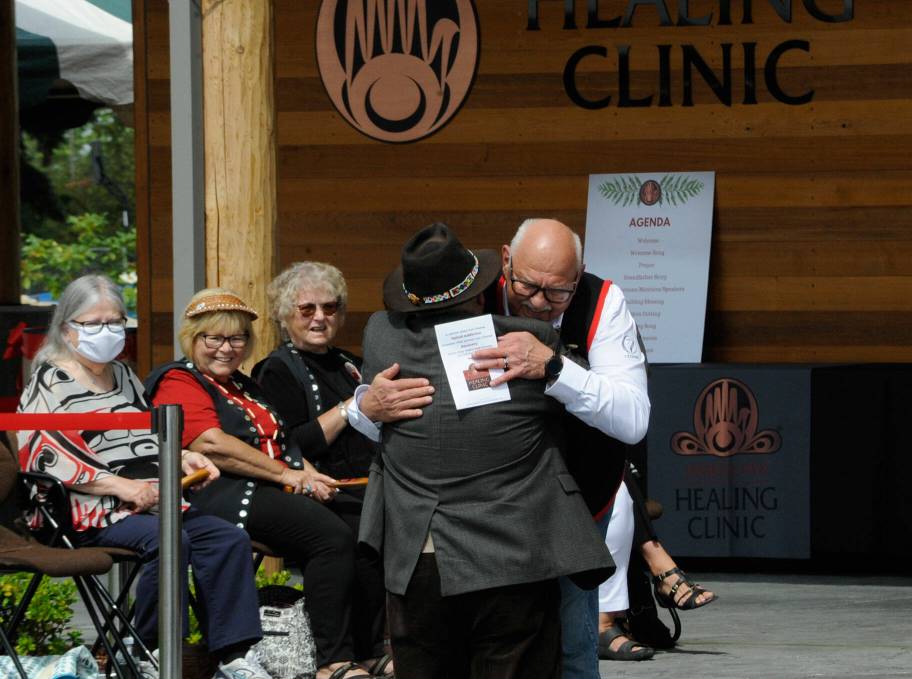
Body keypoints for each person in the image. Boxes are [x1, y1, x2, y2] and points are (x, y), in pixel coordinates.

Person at [353, 218, 716, 675]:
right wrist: (366, 404)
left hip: (573, 502)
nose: (540, 302)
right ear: (503, 264)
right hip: (481, 528)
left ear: (581, 273)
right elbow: (386, 404)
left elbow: (633, 419)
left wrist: (554, 367)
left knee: (575, 645)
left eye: (559, 291)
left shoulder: (603, 303)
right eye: (526, 285)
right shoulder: (455, 303)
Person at [357, 222, 614, 679]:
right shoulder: (530, 346)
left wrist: (363, 402)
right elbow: (608, 415)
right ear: (479, 296)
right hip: (512, 559)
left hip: (419, 557)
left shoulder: (380, 338)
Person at [16, 274, 271, 679]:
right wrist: (122, 487)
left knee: (227, 539)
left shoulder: (123, 375)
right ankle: (149, 649)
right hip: (88, 510)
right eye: (94, 323)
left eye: (115, 322)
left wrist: (184, 458)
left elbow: (151, 438)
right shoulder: (51, 379)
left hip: (154, 502)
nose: (107, 331)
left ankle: (232, 655)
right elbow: (45, 456)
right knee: (171, 540)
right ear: (67, 328)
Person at [145, 288, 376, 679]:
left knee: (363, 527)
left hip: (270, 486)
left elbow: (283, 442)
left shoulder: (243, 384)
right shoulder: (179, 380)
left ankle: (367, 651)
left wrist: (308, 473)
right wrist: (289, 476)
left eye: (236, 338)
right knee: (330, 537)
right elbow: (213, 445)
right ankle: (332, 660)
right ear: (192, 339)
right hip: (218, 491)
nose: (226, 348)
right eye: (213, 338)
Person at [252, 261, 390, 675]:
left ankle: (375, 647)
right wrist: (351, 408)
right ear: (284, 315)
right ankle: (336, 657)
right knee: (352, 532)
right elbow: (292, 444)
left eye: (329, 308)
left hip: (367, 480)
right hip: (313, 484)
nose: (319, 318)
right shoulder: (276, 369)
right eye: (306, 309)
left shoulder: (350, 364)